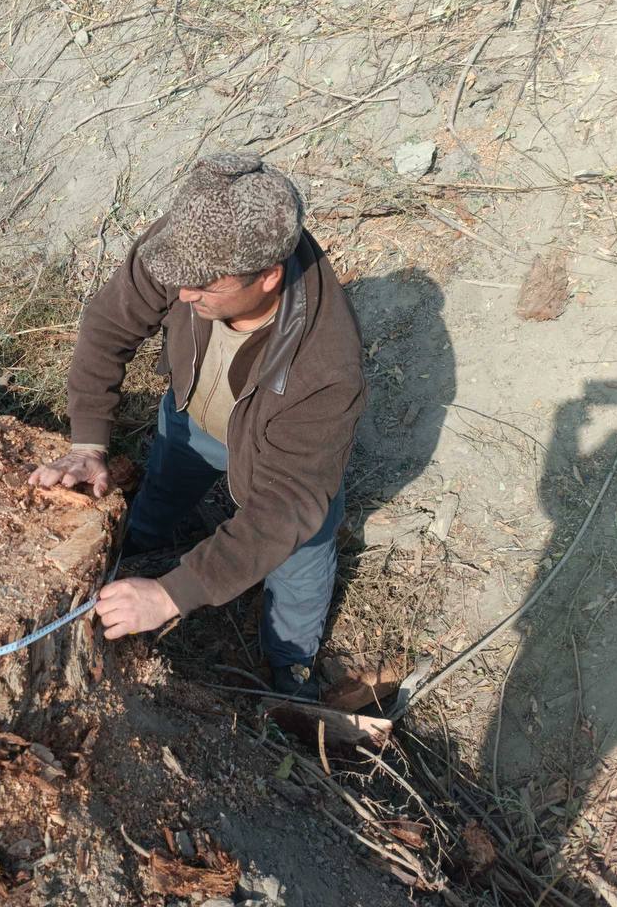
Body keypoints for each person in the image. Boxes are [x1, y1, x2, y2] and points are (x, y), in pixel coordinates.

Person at [29, 153, 366, 699]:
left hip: (281, 468)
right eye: (179, 280)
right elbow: (108, 325)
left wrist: (172, 595)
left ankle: (290, 664)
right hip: (191, 415)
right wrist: (88, 443)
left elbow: (286, 505)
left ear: (269, 277)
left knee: (298, 557)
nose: (183, 296)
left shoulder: (326, 367)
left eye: (204, 288)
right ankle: (141, 542)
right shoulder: (189, 247)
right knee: (163, 488)